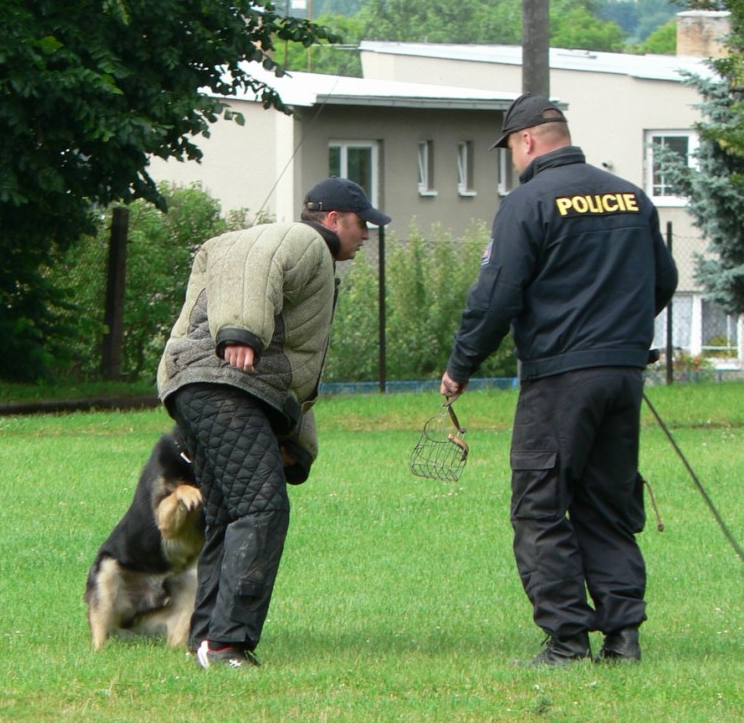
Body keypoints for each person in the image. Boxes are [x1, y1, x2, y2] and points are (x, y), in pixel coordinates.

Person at [440, 93, 677, 666]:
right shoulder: (632, 197)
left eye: (510, 148)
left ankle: (567, 640)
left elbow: (496, 296)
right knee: (608, 504)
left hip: (559, 379)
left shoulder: (528, 202)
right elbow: (664, 280)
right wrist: (617, 335)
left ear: (525, 141)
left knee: (539, 506)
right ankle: (623, 637)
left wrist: (461, 365)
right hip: (623, 376)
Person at [157, 176, 391, 668]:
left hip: (205, 387)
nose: (367, 235)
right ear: (333, 219)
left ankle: (205, 639)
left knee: (229, 512)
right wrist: (241, 330)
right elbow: (252, 259)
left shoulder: (313, 262)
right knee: (262, 509)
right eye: (361, 224)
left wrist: (297, 447)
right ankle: (228, 645)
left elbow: (294, 375)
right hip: (223, 383)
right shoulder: (302, 239)